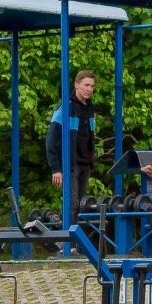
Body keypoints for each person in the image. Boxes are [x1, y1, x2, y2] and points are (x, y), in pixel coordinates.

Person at [46, 69, 100, 221]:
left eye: (92, 86)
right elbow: (51, 139)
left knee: (82, 206)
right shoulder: (65, 108)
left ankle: (73, 243)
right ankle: (64, 243)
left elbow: (89, 136)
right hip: (70, 165)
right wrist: (55, 168)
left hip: (85, 164)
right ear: (77, 85)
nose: (89, 89)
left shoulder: (90, 108)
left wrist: (90, 161)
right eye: (86, 85)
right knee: (72, 204)